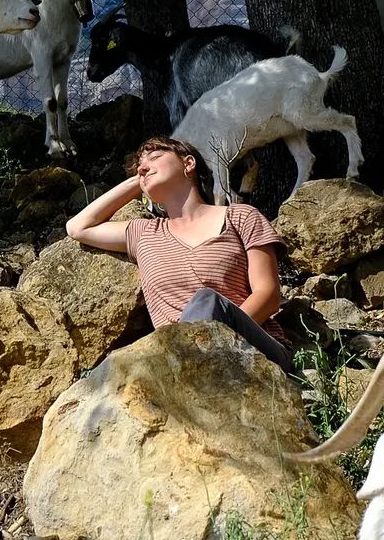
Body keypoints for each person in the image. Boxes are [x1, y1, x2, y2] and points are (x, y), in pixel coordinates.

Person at [63, 136, 295, 371]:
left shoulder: (240, 217)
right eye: (139, 167)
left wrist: (221, 336)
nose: (143, 167)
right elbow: (78, 227)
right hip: (179, 360)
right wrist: (138, 181)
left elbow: (268, 294)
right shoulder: (145, 233)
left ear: (189, 163)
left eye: (155, 157)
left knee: (207, 301)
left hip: (254, 351)